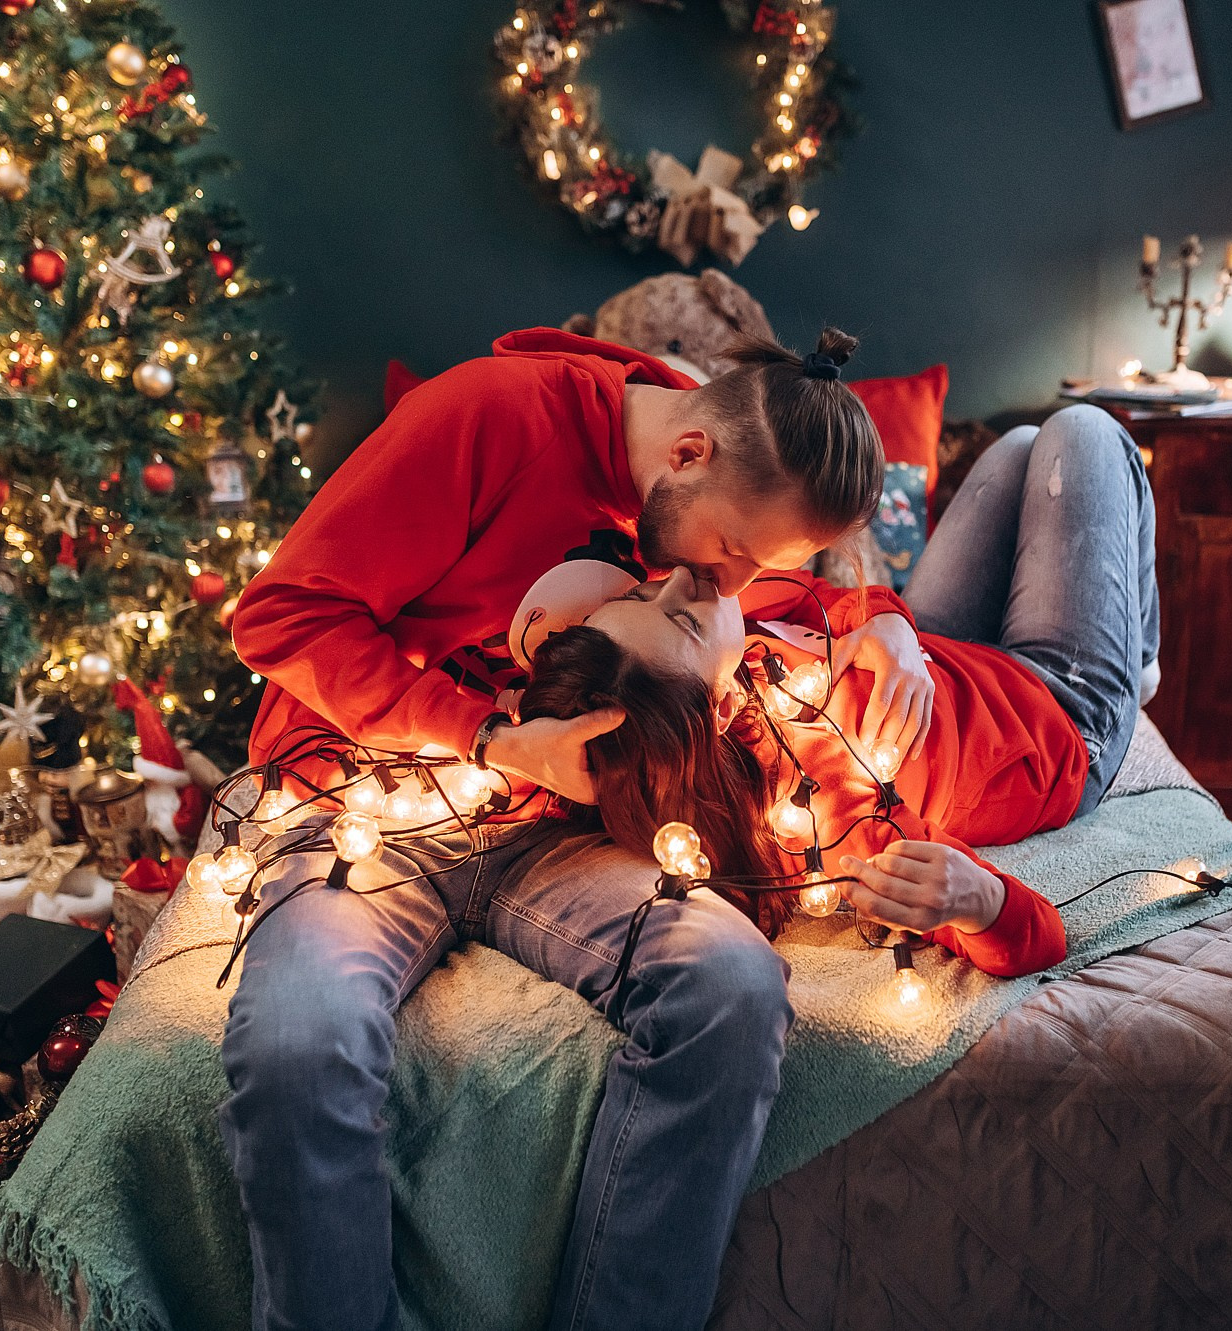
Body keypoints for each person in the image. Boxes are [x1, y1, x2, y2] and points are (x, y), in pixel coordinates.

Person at [222, 327, 892, 1331]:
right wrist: (488, 735)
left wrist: (889, 621)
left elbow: (798, 592)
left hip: (563, 837)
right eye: (735, 553)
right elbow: (278, 616)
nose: (732, 584)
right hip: (373, 806)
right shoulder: (489, 418)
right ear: (687, 453)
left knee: (734, 983)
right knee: (295, 1042)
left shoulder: (722, 481)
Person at [517, 405, 1159, 975]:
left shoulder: (729, 623)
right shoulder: (827, 810)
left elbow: (823, 597)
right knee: (1082, 430)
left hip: (942, 651)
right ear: (720, 707)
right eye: (682, 619)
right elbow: (1040, 937)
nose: (683, 581)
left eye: (641, 595)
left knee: (1017, 448)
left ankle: (1110, 647)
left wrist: (889, 624)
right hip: (1055, 713)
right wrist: (981, 903)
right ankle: (1140, 665)